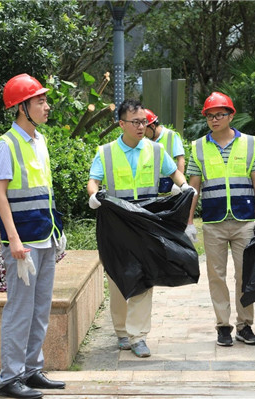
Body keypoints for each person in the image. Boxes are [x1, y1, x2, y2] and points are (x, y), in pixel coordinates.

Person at [86, 98, 192, 358]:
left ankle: (138, 336)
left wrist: (185, 187)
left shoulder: (155, 150)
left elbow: (174, 174)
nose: (141, 126)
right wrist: (94, 196)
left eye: (144, 121)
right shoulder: (106, 152)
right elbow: (93, 181)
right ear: (121, 124)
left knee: (144, 277)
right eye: (135, 122)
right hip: (116, 223)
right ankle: (121, 331)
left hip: (146, 222)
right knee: (118, 277)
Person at [0, 73, 66, 399]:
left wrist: (58, 232)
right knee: (20, 310)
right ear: (22, 107)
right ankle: (10, 378)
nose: (46, 106)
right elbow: (0, 195)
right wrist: (14, 240)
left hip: (46, 237)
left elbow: (44, 192)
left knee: (40, 309)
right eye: (40, 101)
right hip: (23, 242)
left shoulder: (40, 141)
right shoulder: (6, 145)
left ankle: (32, 370)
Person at [185, 91, 255, 347]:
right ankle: (223, 326)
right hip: (213, 222)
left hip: (244, 220)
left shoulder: (249, 143)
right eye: (210, 116)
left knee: (246, 275)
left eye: (219, 114)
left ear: (231, 115)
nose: (214, 119)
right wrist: (188, 222)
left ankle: (245, 326)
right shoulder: (199, 147)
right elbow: (194, 187)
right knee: (216, 276)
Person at [144, 108, 186, 195]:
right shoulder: (146, 141)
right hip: (152, 185)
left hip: (170, 182)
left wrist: (178, 184)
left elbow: (181, 160)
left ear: (152, 126)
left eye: (145, 130)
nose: (143, 133)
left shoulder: (171, 136)